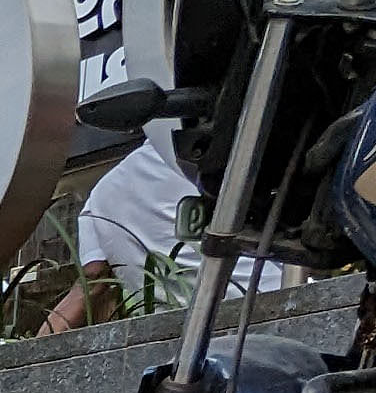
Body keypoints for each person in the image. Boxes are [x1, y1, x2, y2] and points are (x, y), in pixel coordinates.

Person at [44, 131, 295, 336]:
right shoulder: (219, 165)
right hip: (278, 302)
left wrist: (28, 356)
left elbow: (92, 285)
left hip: (187, 334)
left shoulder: (99, 199)